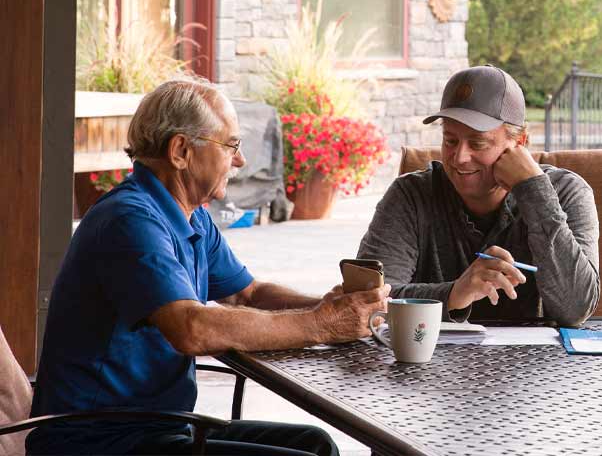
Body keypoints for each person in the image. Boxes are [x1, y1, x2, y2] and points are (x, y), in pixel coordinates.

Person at [28, 80, 390, 456]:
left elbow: (247, 292)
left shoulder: (191, 215)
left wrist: (332, 306)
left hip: (160, 426)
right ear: (181, 151)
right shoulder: (129, 220)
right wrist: (321, 325)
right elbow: (191, 328)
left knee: (314, 445)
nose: (240, 160)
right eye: (231, 145)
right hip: (100, 441)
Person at [356, 65, 600, 326]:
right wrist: (453, 295)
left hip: (537, 364)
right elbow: (365, 304)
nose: (460, 158)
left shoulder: (567, 193)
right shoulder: (410, 196)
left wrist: (533, 192)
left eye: (478, 143)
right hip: (430, 363)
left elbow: (575, 309)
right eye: (450, 141)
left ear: (520, 143)